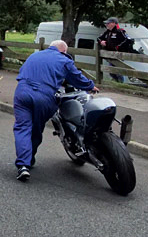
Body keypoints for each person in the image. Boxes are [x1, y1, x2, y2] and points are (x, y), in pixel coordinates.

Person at [13, 40, 98, 181]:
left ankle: (23, 165)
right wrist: (90, 86)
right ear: (63, 51)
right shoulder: (63, 59)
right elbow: (76, 78)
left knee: (22, 128)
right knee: (36, 129)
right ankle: (29, 159)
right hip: (44, 95)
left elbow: (24, 72)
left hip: (22, 92)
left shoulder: (34, 55)